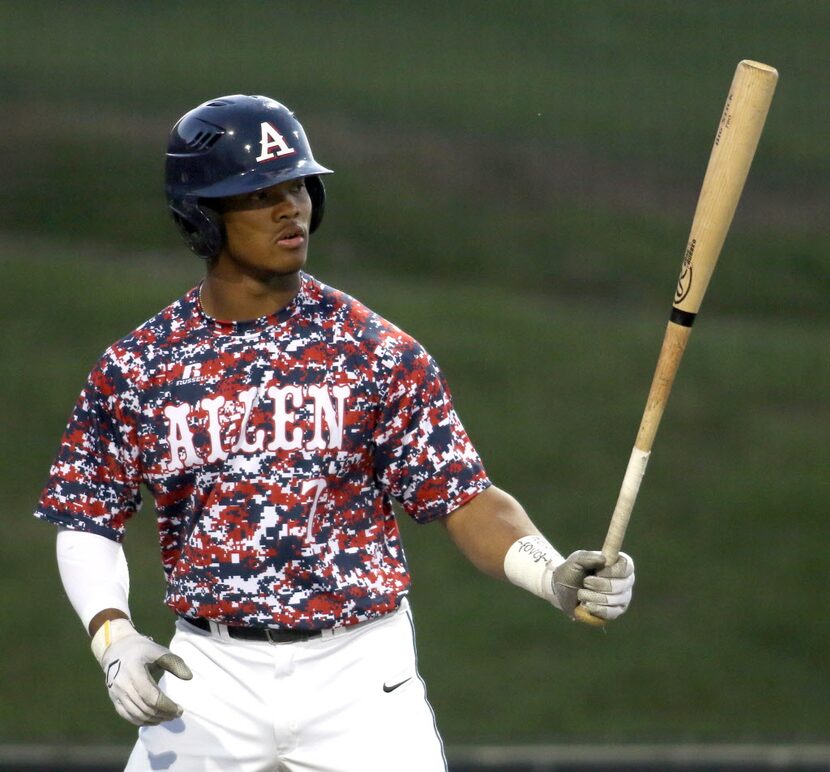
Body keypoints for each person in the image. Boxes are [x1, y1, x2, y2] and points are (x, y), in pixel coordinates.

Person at [35, 94, 635, 772]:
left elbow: (462, 497)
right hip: (207, 677)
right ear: (201, 216)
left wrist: (551, 570)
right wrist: (113, 637)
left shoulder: (375, 351)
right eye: (259, 193)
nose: (290, 207)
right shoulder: (138, 366)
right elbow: (86, 517)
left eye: (298, 186)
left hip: (358, 678)